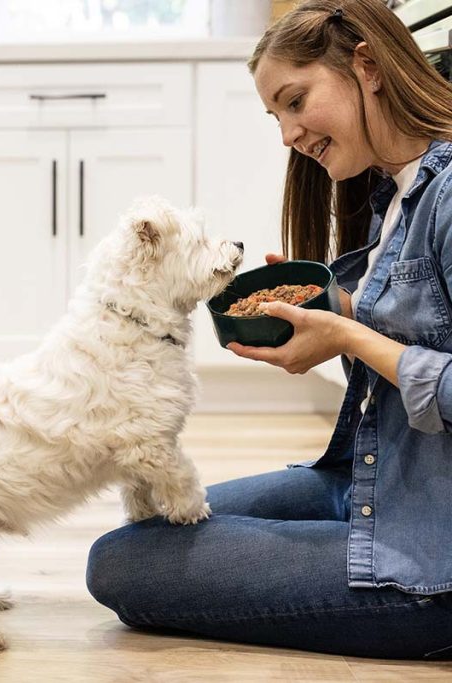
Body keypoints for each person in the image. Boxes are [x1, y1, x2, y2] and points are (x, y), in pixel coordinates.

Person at [86, 0, 452, 659]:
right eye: (275, 115)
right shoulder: (390, 194)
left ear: (366, 66)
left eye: (295, 100)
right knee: (152, 524)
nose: (287, 134)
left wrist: (346, 336)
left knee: (122, 565)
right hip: (373, 481)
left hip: (429, 555)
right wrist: (336, 309)